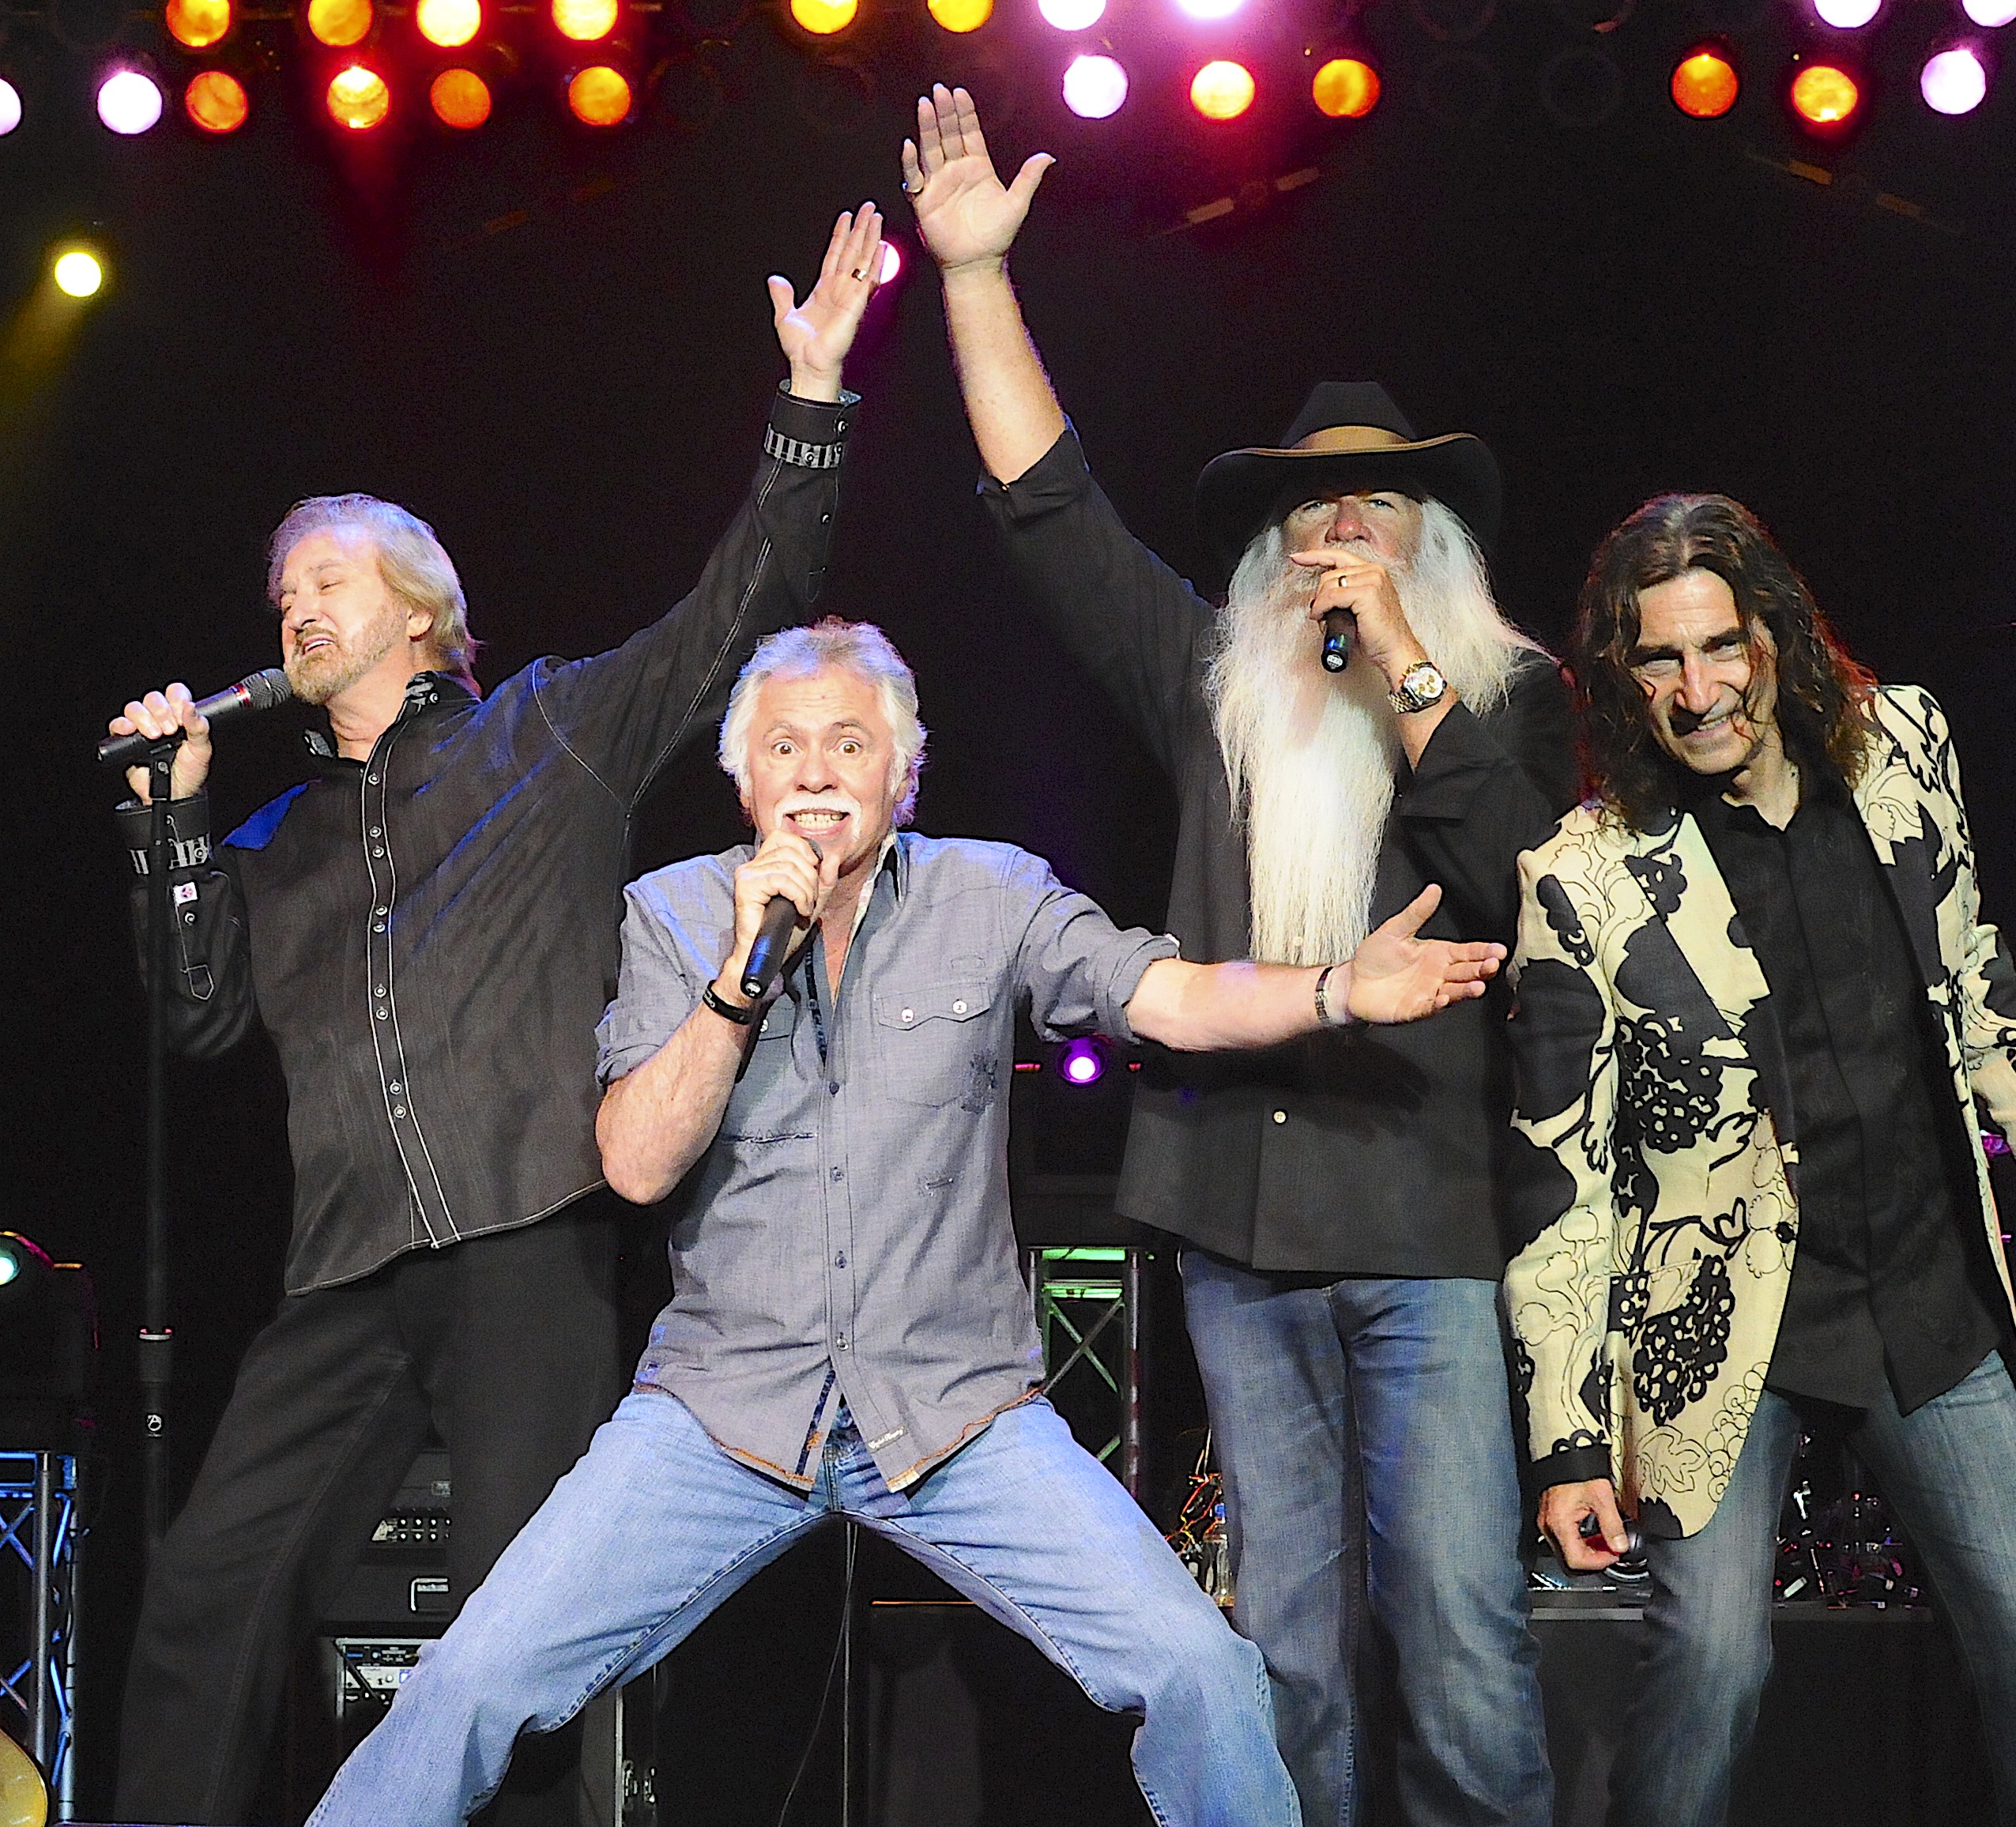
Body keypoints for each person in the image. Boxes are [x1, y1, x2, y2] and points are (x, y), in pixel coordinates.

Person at [304, 616, 1512, 1827]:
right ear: (743, 780)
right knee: (470, 1679)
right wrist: (738, 977)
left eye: (847, 742)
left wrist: (1334, 990)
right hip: (720, 1413)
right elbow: (635, 1163)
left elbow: (1171, 998)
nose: (815, 771)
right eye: (784, 746)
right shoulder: (672, 912)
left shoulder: (991, 892)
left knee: (1198, 1666)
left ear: (902, 773)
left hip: (956, 1414)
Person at [103, 206, 888, 1826]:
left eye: (326, 581)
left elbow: (731, 611)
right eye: (280, 594)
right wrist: (172, 825)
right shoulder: (273, 841)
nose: (294, 611)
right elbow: (197, 1021)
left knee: (516, 1631)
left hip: (529, 1238)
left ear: (417, 607)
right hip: (345, 1268)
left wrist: (810, 403)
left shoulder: (547, 733)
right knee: (204, 1595)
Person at [903, 85, 1573, 1827]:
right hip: (1238, 1234)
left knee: (1460, 1638)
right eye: (1309, 520)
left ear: (1430, 552)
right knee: (1285, 1649)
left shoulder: (1503, 701)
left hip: (1426, 1230)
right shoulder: (1214, 687)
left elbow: (1528, 887)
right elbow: (1048, 508)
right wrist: (973, 277)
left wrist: (1400, 670)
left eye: (1371, 515)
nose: (1333, 539)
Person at [1505, 492, 2016, 1827]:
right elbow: (1560, 1182)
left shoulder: (1901, 744)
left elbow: (1974, 972)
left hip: (1919, 1285)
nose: (1697, 692)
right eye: (1659, 661)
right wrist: (1567, 1443)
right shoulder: (1581, 876)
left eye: (1718, 648)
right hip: (1723, 1328)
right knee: (1710, 1668)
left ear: (1773, 637)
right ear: (1620, 676)